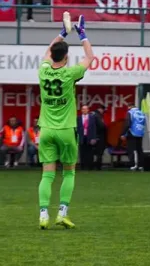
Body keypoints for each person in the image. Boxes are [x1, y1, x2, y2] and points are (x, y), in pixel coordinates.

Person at [38, 15, 94, 230]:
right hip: (66, 130)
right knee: (69, 172)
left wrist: (62, 33)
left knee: (47, 174)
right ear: (66, 57)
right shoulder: (70, 73)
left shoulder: (43, 71)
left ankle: (43, 214)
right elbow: (90, 57)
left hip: (46, 130)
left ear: (52, 55)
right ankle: (62, 213)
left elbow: (47, 52)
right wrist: (82, 35)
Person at [122, 105, 147, 171]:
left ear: (130, 107)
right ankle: (141, 165)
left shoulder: (130, 112)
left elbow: (127, 124)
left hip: (132, 133)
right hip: (140, 133)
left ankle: (133, 165)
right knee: (139, 150)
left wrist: (123, 133)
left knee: (131, 150)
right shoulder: (142, 113)